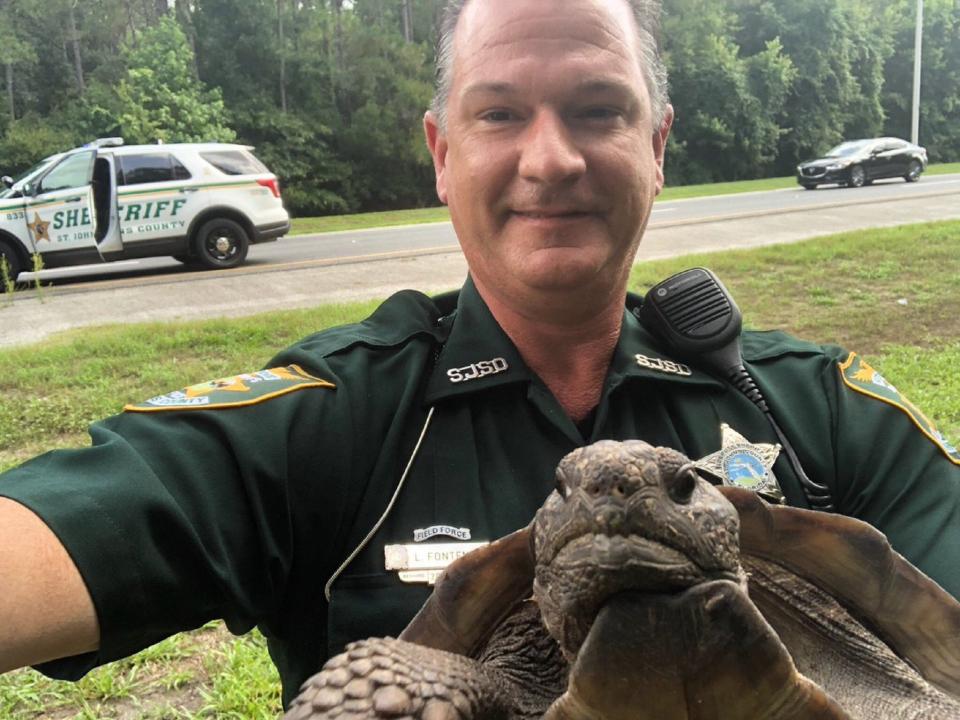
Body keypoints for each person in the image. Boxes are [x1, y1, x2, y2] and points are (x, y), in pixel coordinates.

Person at [1, 0, 958, 711]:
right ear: (442, 152)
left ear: (657, 145)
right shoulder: (337, 413)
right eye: (499, 114)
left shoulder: (818, 407)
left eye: (597, 109)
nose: (551, 160)